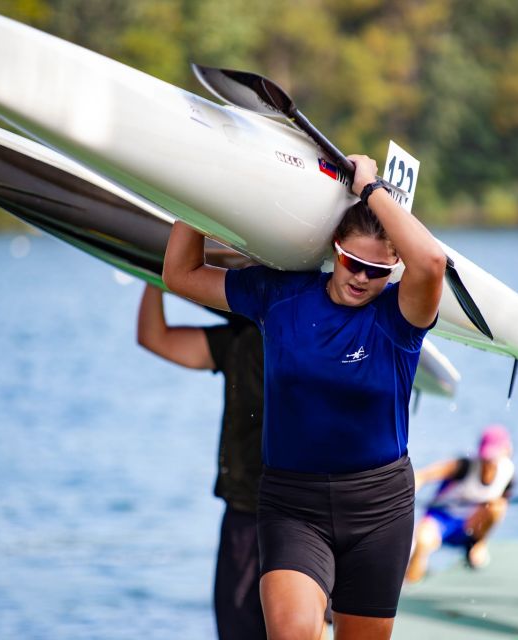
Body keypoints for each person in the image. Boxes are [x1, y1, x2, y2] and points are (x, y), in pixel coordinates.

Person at [162, 153, 446, 640]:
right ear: (335, 248)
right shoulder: (280, 296)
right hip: (294, 505)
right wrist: (198, 190)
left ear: (394, 267)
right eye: (353, 262)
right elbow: (181, 274)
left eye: (377, 271)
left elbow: (433, 260)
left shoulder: (401, 322)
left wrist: (371, 188)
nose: (361, 277)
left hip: (379, 508)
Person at [136, 283, 268, 640]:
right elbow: (154, 337)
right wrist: (153, 273)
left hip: (302, 512)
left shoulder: (317, 332)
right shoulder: (239, 340)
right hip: (244, 513)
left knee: (301, 626)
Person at [405, 425, 514, 583]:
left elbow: (500, 507)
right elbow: (423, 476)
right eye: (486, 457)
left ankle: (478, 545)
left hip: (469, 524)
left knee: (498, 507)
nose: (488, 462)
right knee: (422, 542)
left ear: (506, 451)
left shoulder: (508, 473)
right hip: (440, 519)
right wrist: (408, 493)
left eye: (493, 457)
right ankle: (410, 584)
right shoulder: (463, 466)